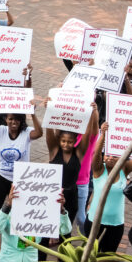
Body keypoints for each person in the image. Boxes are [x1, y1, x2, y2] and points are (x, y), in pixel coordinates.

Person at [0, 95, 43, 262]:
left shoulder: (26, 133)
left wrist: (33, 113)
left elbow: (39, 133)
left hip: (20, 180)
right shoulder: (1, 130)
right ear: (6, 119)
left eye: (17, 119)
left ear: (21, 120)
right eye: (10, 119)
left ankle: (22, 244)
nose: (13, 122)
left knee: (22, 213)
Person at [86, 122, 132, 262]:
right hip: (94, 221)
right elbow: (96, 154)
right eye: (107, 155)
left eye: (114, 156)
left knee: (109, 255)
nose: (110, 158)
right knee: (90, 253)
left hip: (116, 223)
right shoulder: (98, 170)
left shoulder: (124, 169)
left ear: (121, 159)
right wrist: (103, 134)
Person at [41, 100, 98, 243]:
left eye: (70, 142)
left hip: (72, 196)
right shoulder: (54, 151)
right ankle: (41, 254)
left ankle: (64, 253)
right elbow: (49, 130)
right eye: (63, 141)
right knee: (46, 229)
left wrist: (91, 114)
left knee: (66, 230)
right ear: (59, 140)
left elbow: (87, 134)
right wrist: (49, 110)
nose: (66, 144)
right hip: (52, 194)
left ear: (75, 142)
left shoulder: (79, 154)